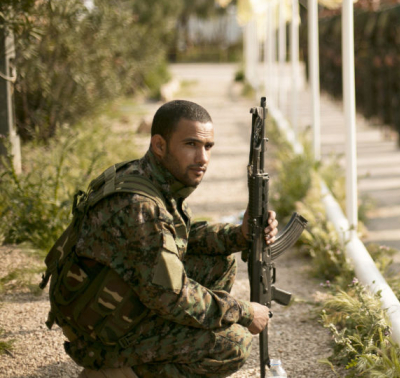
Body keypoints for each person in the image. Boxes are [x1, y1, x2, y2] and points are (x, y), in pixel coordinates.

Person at [45, 100, 278, 376]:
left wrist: (238, 236)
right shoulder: (141, 205)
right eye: (191, 144)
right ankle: (118, 371)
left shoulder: (150, 177)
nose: (202, 158)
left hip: (111, 306)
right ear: (159, 145)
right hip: (98, 336)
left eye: (208, 147)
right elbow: (173, 295)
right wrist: (244, 312)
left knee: (220, 260)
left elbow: (180, 239)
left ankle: (150, 359)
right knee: (234, 344)